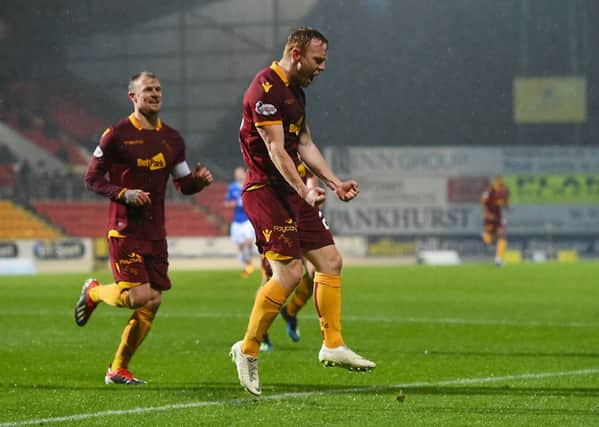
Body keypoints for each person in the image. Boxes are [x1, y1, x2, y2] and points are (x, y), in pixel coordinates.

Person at [229, 26, 375, 397]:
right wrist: (304, 190)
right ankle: (247, 349)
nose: (322, 67)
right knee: (291, 272)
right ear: (296, 54)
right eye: (318, 60)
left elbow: (304, 143)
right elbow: (277, 150)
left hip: (293, 194)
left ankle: (333, 343)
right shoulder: (265, 89)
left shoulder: (295, 92)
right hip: (265, 191)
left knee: (330, 261)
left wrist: (332, 182)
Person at [74, 71, 213, 385]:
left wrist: (198, 183)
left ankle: (118, 369)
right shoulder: (116, 135)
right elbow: (92, 179)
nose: (155, 94)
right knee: (138, 297)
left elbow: (182, 183)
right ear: (132, 97)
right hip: (124, 228)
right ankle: (94, 292)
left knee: (153, 301)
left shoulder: (173, 139)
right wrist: (124, 194)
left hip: (155, 231)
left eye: (158, 89)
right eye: (147, 89)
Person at [224, 166, 256, 278]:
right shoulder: (232, 187)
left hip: (248, 219)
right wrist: (236, 203)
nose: (238, 175)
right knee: (240, 245)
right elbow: (226, 203)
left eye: (240, 173)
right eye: (236, 173)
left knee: (248, 241)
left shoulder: (249, 184)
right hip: (237, 220)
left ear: (244, 173)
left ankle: (249, 262)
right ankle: (246, 265)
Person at [481, 174, 510, 266]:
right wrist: (487, 214)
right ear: (495, 182)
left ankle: (499, 258)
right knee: (491, 240)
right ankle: (485, 237)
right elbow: (483, 201)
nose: (500, 184)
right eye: (498, 182)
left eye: (501, 182)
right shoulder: (489, 191)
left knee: (502, 235)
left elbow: (505, 203)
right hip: (489, 217)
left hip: (497, 217)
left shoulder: (504, 191)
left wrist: (507, 206)